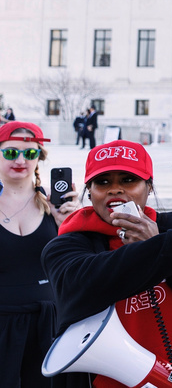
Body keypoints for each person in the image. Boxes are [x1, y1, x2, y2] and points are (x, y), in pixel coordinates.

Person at [41, 140, 172, 387]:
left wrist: (160, 240)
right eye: (103, 183)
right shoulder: (66, 244)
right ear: (89, 192)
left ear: (149, 187)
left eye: (128, 180)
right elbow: (85, 284)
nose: (115, 190)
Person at [0, 121, 82, 388]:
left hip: (49, 325)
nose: (21, 160)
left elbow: (76, 263)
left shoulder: (52, 205)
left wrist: (68, 224)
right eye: (11, 152)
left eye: (31, 153)